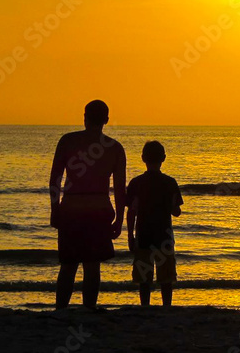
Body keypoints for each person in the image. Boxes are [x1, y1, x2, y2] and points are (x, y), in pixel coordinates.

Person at [49, 100, 126, 309]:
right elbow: (120, 189)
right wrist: (120, 219)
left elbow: (55, 178)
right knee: (92, 266)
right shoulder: (115, 148)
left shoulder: (67, 141)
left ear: (84, 117)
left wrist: (54, 208)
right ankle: (89, 309)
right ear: (106, 120)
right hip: (99, 210)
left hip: (72, 208)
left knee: (68, 265)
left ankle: (61, 309)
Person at [126, 141, 183, 307]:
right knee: (166, 279)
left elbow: (132, 212)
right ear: (163, 158)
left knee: (144, 279)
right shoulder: (170, 182)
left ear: (143, 158)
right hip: (164, 237)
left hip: (144, 236)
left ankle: (145, 306)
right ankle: (167, 307)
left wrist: (130, 235)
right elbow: (176, 211)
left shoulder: (136, 183)